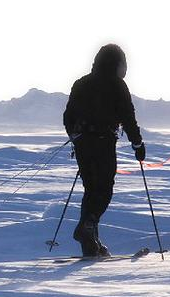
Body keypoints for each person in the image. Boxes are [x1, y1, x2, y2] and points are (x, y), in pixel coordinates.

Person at [62, 44, 146, 258]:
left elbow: (68, 116)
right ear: (117, 64)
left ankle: (91, 243)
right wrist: (137, 144)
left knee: (91, 190)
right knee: (104, 189)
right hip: (103, 141)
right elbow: (128, 117)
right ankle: (87, 229)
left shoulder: (81, 83)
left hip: (82, 144)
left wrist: (75, 136)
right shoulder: (117, 85)